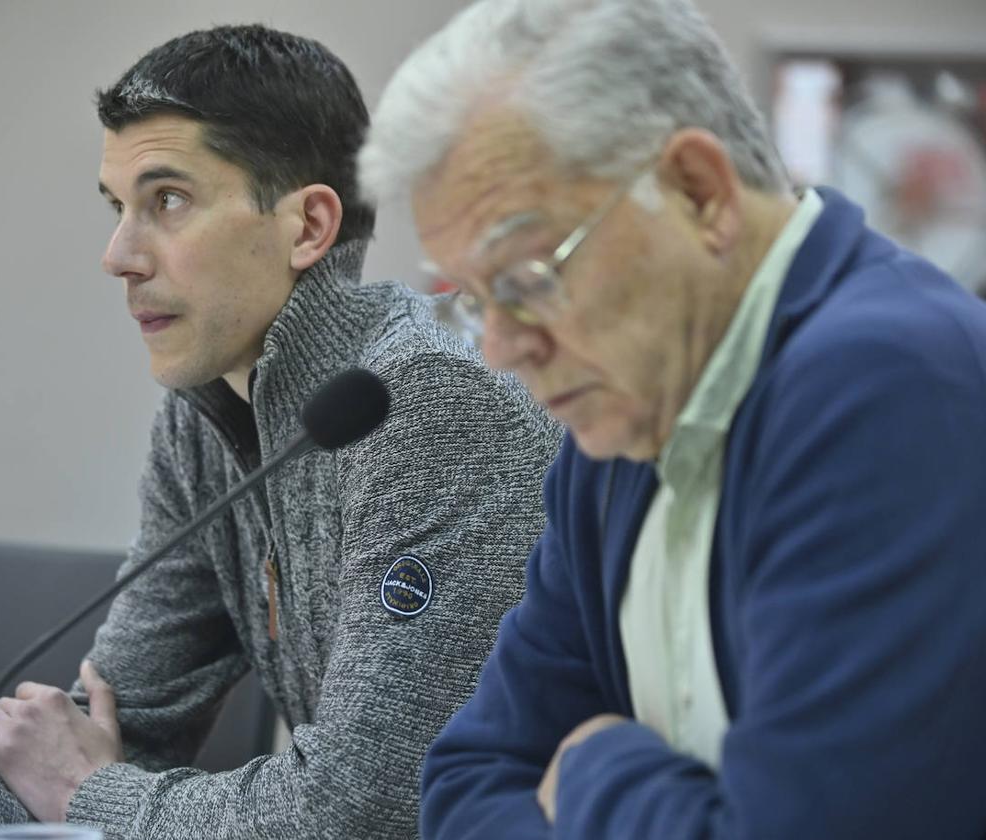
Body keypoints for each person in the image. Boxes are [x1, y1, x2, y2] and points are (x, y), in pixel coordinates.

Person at [0, 24, 560, 840]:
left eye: (167, 201)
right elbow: (107, 737)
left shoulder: (428, 410)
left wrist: (89, 792)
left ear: (307, 228)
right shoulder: (205, 419)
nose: (118, 255)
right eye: (119, 207)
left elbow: (352, 812)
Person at [357, 0, 986, 837]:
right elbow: (466, 783)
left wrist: (591, 764)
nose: (502, 349)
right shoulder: (622, 415)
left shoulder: (886, 383)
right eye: (474, 303)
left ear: (699, 193)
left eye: (529, 277)